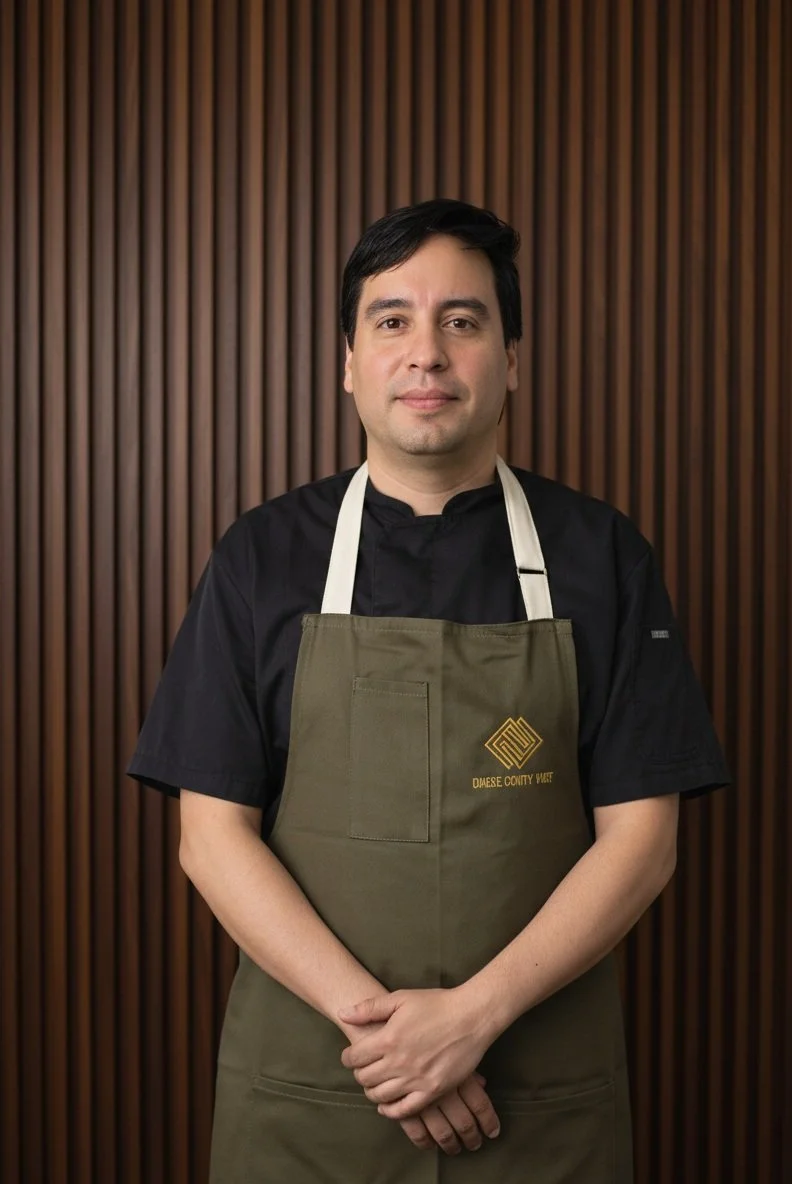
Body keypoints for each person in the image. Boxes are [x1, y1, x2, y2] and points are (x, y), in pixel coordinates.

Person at [128, 198, 730, 1183]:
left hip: (537, 1098)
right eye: (392, 319)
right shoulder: (261, 557)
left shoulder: (604, 555)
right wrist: (397, 1040)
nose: (428, 353)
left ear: (512, 357)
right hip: (319, 1091)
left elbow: (642, 839)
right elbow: (212, 834)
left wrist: (472, 1016)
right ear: (349, 361)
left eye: (463, 319)